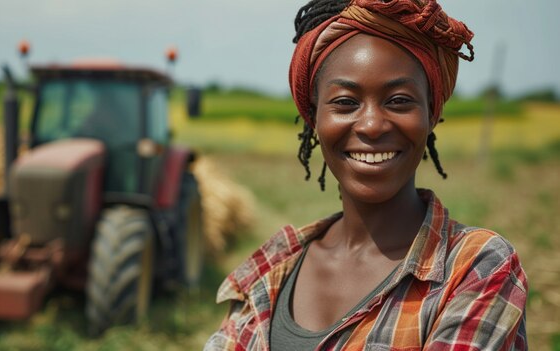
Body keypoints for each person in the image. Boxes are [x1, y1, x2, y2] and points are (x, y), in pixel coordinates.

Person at [205, 0, 528, 350]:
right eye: (345, 102)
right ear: (314, 118)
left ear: (431, 114)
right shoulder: (269, 273)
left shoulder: (474, 268)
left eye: (399, 100)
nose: (372, 126)